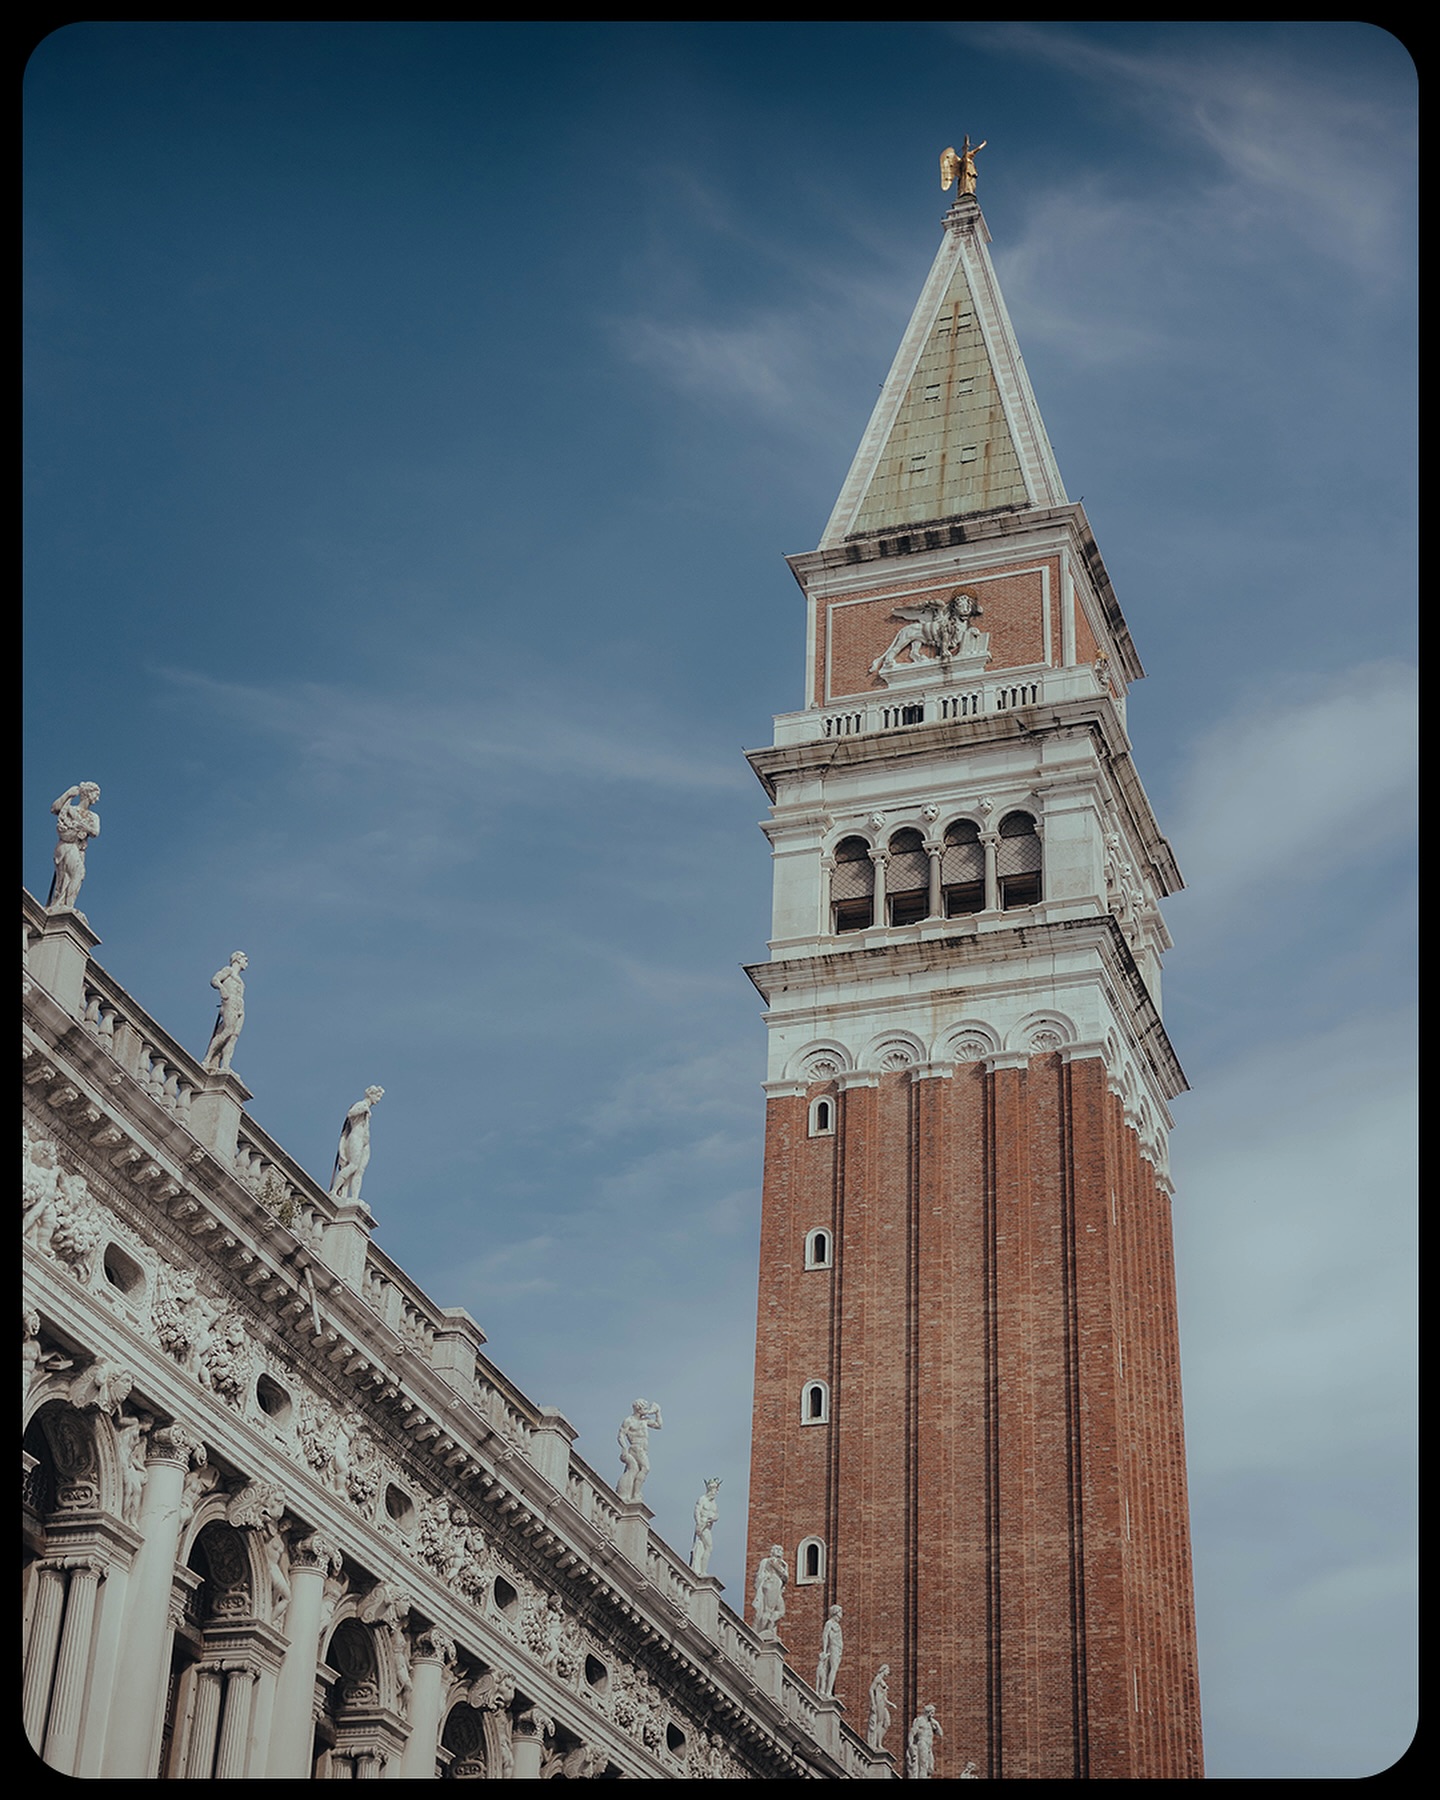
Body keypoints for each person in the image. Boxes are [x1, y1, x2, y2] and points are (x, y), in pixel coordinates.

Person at [48, 783, 100, 911]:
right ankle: (62, 906)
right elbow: (55, 808)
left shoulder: (93, 816)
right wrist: (68, 794)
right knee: (72, 875)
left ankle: (64, 905)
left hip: (79, 849)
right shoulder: (70, 809)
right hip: (67, 845)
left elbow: (95, 832)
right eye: (96, 794)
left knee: (75, 875)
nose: (97, 799)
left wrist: (80, 825)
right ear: (87, 793)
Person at [330, 1086, 384, 1203]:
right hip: (356, 1138)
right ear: (371, 1094)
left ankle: (354, 1198)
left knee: (359, 1170)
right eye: (378, 1096)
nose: (378, 1100)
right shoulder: (362, 1104)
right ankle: (334, 1191)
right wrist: (363, 1110)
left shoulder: (367, 1108)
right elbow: (350, 1113)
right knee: (353, 1165)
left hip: (364, 1142)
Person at [203, 952, 248, 1073]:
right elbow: (215, 980)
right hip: (230, 1001)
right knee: (227, 1031)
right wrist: (222, 989)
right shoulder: (228, 970)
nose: (246, 962)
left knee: (233, 1036)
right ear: (238, 959)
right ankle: (208, 1059)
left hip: (240, 1006)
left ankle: (225, 1065)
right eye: (245, 959)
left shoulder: (241, 980)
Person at [616, 1398, 662, 1501]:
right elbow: (621, 1435)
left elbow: (659, 1425)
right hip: (635, 1447)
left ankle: (631, 1493)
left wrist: (658, 1412)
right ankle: (636, 1494)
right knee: (645, 1468)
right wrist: (624, 1448)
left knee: (634, 1470)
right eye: (644, 1408)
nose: (646, 1410)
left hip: (643, 1449)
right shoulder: (629, 1420)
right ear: (638, 1409)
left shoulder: (644, 1420)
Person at [752, 1543, 788, 1635]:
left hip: (777, 1587)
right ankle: (762, 1631)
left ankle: (770, 1623)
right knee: (768, 1610)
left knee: (781, 1611)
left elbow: (786, 1577)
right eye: (777, 1550)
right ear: (773, 1551)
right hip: (772, 1585)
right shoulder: (771, 1561)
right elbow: (782, 1573)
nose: (780, 1552)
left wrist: (785, 1567)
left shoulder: (780, 1563)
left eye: (781, 1550)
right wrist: (785, 1567)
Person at [690, 1477, 721, 1576]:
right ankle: (702, 1571)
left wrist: (713, 1518)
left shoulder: (713, 1503)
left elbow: (716, 1514)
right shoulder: (702, 1499)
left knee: (705, 1547)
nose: (715, 1493)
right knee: (709, 1547)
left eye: (716, 1491)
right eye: (714, 1490)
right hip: (702, 1526)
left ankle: (701, 1569)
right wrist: (699, 1524)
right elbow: (697, 1512)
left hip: (708, 1527)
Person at [906, 1704, 944, 1780]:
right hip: (922, 1743)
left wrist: (936, 1724)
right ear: (928, 1712)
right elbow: (912, 1733)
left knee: (930, 1767)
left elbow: (940, 1734)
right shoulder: (920, 1720)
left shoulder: (932, 1723)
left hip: (929, 1746)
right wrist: (910, 1746)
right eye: (932, 1713)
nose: (933, 1715)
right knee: (923, 1764)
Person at [815, 1604, 844, 1698]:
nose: (841, 1614)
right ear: (836, 1613)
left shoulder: (837, 1625)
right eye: (840, 1612)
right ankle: (827, 1691)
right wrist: (824, 1650)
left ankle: (828, 1690)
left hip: (838, 1649)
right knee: (831, 1669)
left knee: (833, 1669)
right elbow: (825, 1636)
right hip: (833, 1647)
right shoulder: (829, 1623)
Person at [867, 1664, 893, 1751]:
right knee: (879, 1723)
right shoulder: (878, 1678)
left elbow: (884, 1697)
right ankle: (878, 1744)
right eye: (887, 1670)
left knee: (887, 1723)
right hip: (878, 1702)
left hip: (883, 1703)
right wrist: (873, 1703)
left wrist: (891, 1704)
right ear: (883, 1670)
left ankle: (878, 1742)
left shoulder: (881, 1680)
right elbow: (871, 1689)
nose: (888, 1672)